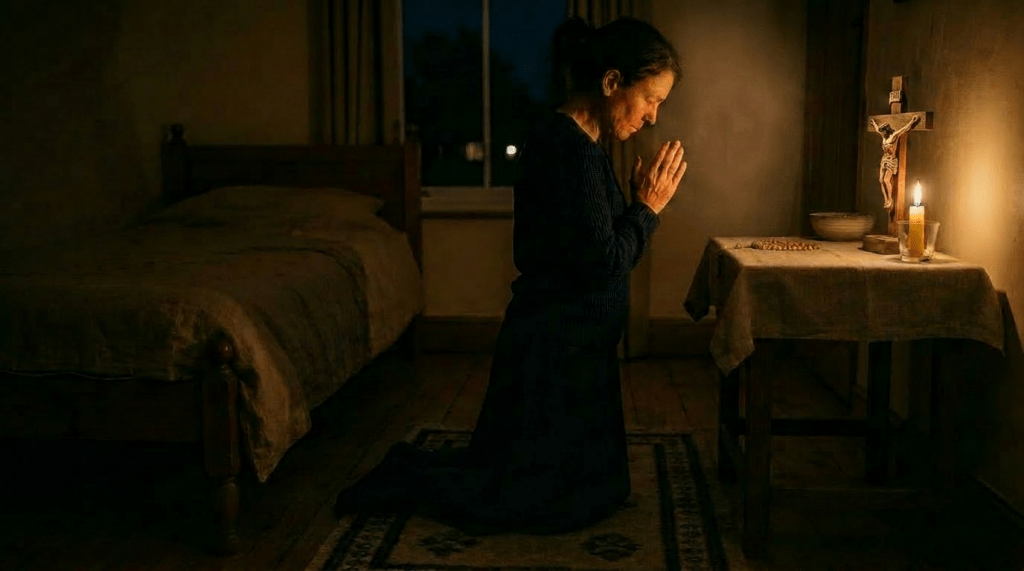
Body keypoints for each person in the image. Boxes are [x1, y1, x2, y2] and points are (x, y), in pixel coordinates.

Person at [334, 16, 686, 535]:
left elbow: (585, 246)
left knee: (599, 492)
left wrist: (631, 208)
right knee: (530, 506)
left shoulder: (586, 145)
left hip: (577, 357)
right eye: (650, 99)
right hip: (553, 358)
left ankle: (423, 466)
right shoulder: (568, 150)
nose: (653, 117)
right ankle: (405, 478)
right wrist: (647, 209)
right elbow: (604, 263)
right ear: (612, 83)